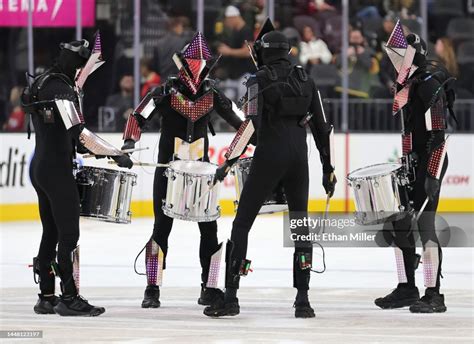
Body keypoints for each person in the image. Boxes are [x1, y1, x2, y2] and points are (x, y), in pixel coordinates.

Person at [203, 19, 336, 319]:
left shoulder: (257, 80)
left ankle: (231, 296)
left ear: (263, 52)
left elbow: (250, 126)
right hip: (299, 159)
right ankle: (303, 299)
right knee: (300, 227)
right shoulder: (307, 79)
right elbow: (322, 128)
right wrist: (328, 169)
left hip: (269, 155)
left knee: (242, 223)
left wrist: (229, 161)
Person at [121, 32, 245, 309]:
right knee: (161, 228)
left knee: (209, 230)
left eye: (202, 61)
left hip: (201, 175)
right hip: (168, 172)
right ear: (184, 63)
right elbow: (138, 116)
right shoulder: (164, 92)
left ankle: (210, 287)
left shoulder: (213, 94)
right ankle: (152, 287)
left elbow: (240, 122)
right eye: (194, 60)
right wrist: (129, 143)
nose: (198, 65)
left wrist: (251, 138)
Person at [21, 38, 133, 316]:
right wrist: (114, 152)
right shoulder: (61, 88)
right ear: (77, 64)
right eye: (85, 66)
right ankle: (69, 298)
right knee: (69, 234)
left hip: (41, 166)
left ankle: (46, 296)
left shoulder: (44, 82)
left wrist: (95, 150)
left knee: (51, 231)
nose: (85, 72)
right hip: (56, 170)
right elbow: (79, 132)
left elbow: (65, 133)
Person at [377, 22, 456, 313]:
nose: (394, 62)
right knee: (399, 222)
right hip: (416, 161)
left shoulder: (428, 84)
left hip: (431, 159)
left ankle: (434, 295)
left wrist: (431, 175)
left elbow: (438, 134)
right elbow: (408, 131)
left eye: (399, 56)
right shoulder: (410, 84)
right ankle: (407, 287)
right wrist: (406, 160)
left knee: (424, 225)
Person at [214, 5, 254, 80]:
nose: (227, 24)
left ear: (233, 18)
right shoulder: (235, 32)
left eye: (227, 20)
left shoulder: (246, 31)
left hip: (244, 76)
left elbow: (248, 52)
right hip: (234, 75)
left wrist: (229, 51)